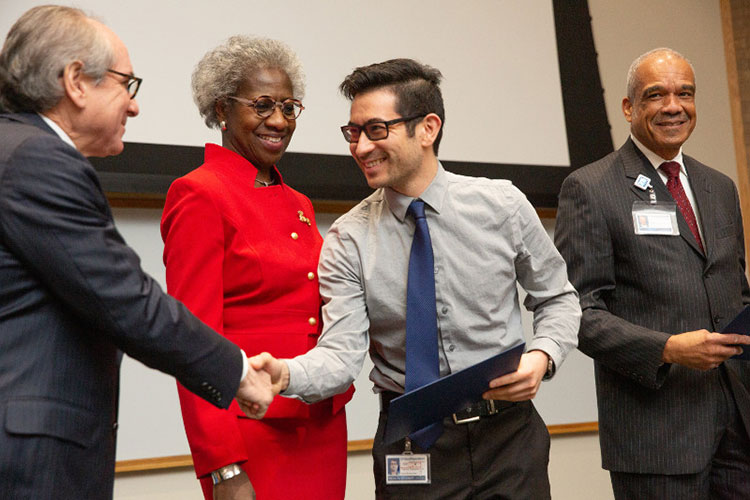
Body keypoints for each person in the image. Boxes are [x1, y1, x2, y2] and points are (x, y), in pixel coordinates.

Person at [254, 58, 581, 499]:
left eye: (375, 130)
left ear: (427, 128)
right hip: (412, 443)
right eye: (353, 133)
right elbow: (340, 354)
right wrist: (284, 375)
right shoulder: (347, 239)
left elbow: (558, 298)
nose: (360, 147)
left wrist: (542, 356)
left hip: (510, 437)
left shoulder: (502, 205)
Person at [0, 7, 273, 500]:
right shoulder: (37, 160)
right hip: (30, 462)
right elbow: (125, 298)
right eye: (127, 84)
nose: (133, 106)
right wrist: (234, 371)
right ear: (76, 81)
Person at [160, 35, 353, 500]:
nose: (279, 120)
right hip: (252, 432)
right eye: (263, 105)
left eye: (289, 107)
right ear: (222, 108)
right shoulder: (199, 193)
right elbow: (193, 341)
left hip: (320, 425)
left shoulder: (300, 202)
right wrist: (223, 465)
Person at [555, 47, 750, 499]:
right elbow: (578, 314)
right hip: (656, 437)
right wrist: (666, 348)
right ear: (629, 107)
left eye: (685, 94)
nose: (673, 106)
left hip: (738, 427)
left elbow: (733, 292)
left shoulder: (719, 187)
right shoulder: (590, 188)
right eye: (656, 95)